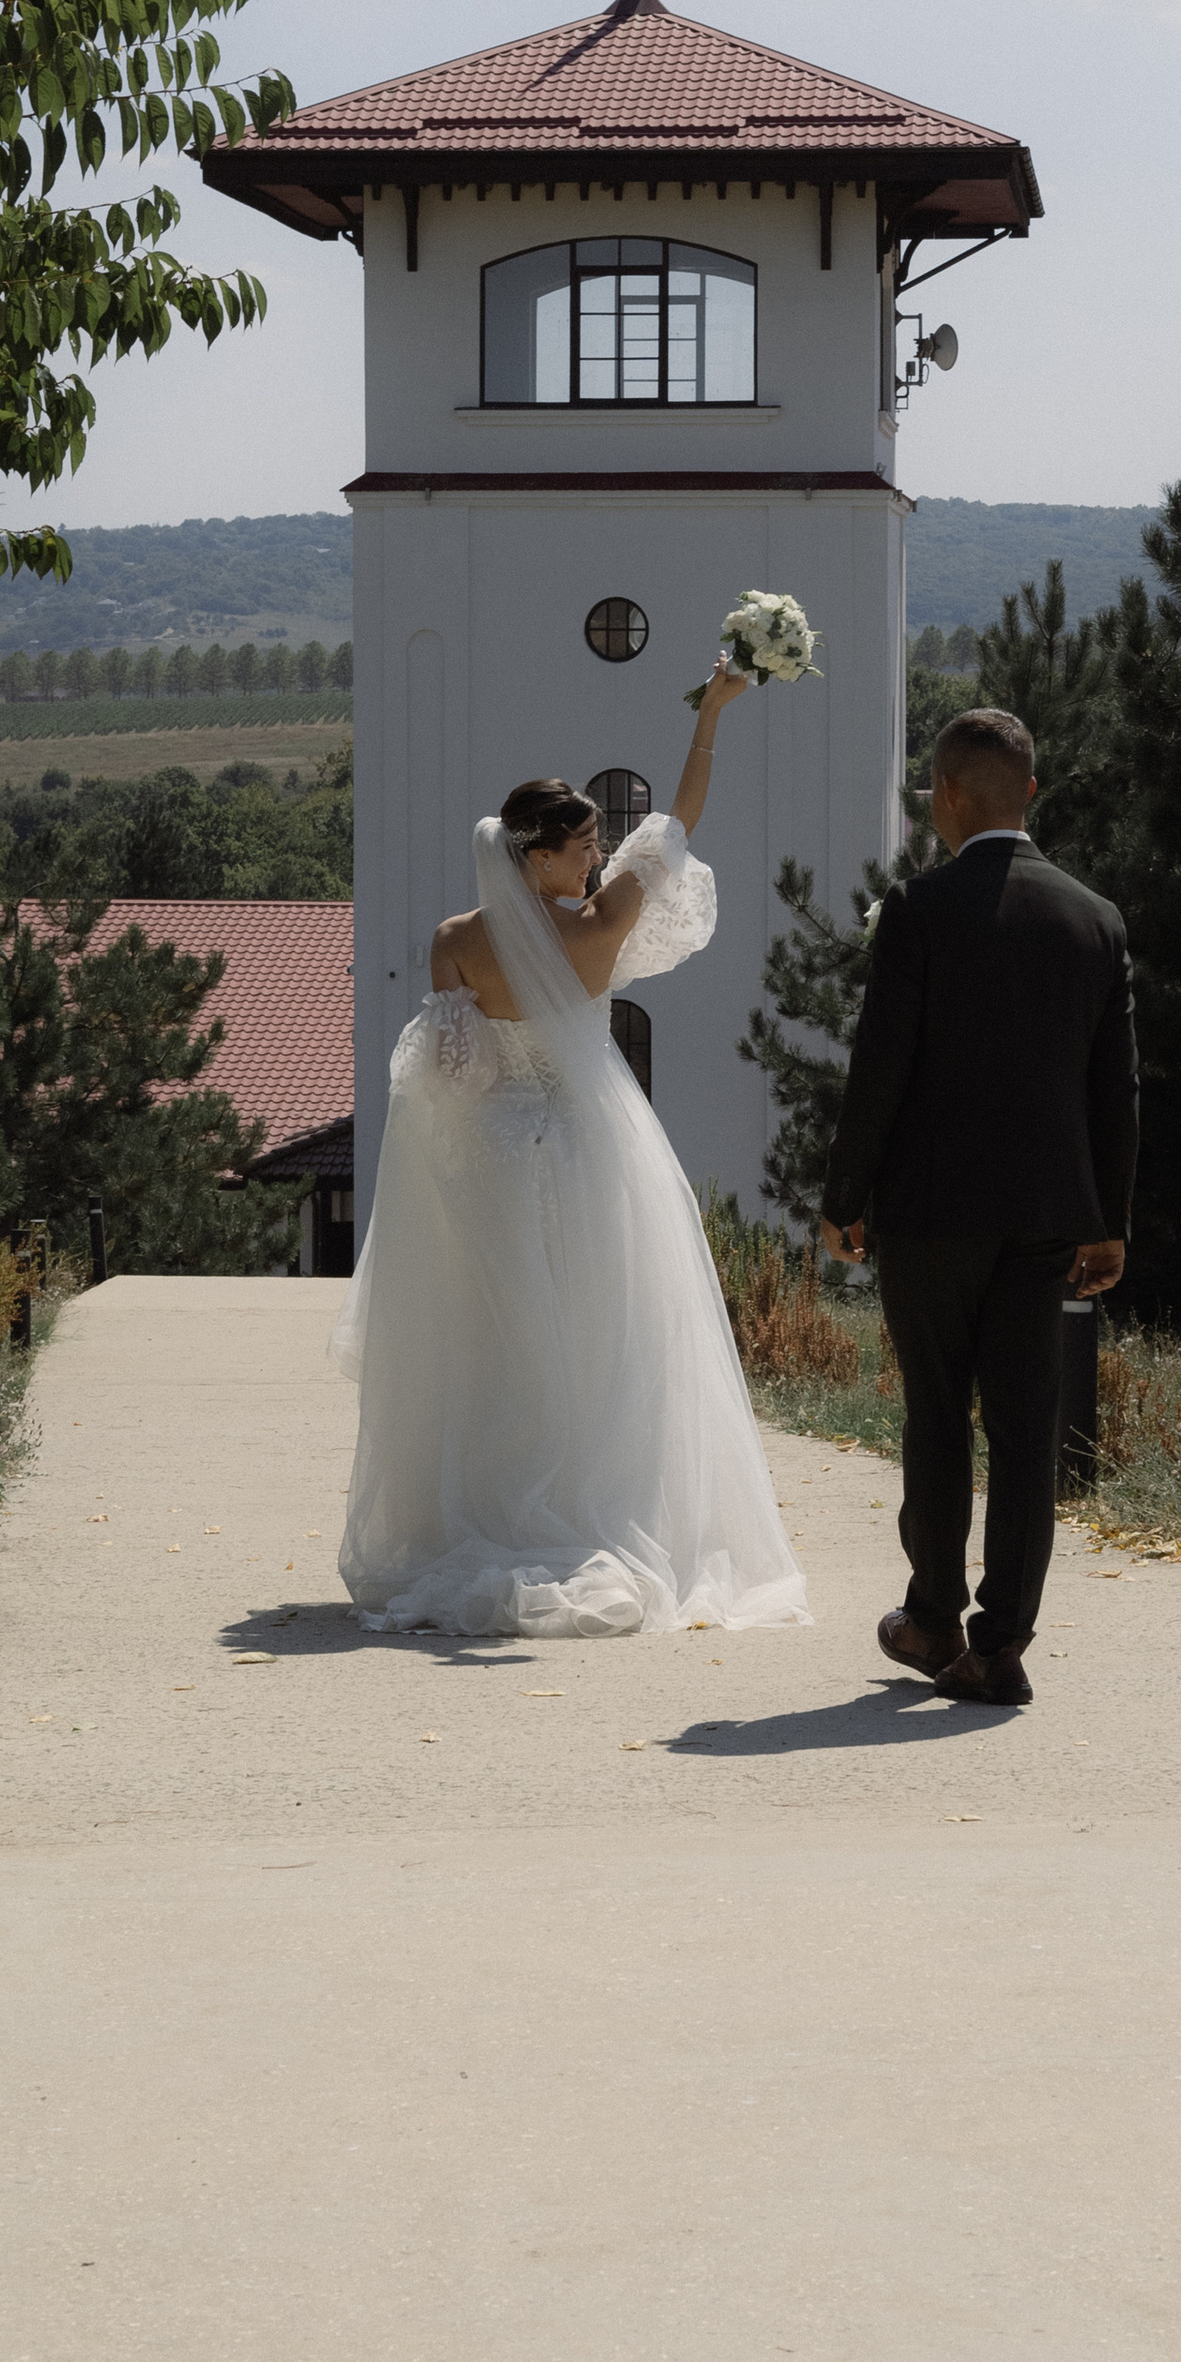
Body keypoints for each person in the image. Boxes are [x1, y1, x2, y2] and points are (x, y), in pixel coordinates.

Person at [333, 656, 811, 1639]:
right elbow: (677, 822)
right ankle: (607, 1510)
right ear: (540, 855)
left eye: (598, 843)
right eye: (584, 842)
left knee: (503, 1346)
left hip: (496, 1161)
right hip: (596, 1149)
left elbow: (448, 1073)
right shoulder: (600, 925)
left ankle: (494, 1512)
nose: (597, 857)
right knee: (614, 1340)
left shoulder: (454, 940)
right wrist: (711, 717)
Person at [818, 706, 1137, 1706]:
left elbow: (881, 1070)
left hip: (929, 1210)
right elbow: (1112, 1088)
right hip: (1047, 1216)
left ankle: (928, 1617)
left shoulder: (918, 909)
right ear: (1028, 792)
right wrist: (1107, 1220)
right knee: (1025, 1427)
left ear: (946, 794)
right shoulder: (1094, 917)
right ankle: (999, 1647)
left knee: (937, 1419)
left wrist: (844, 1198)